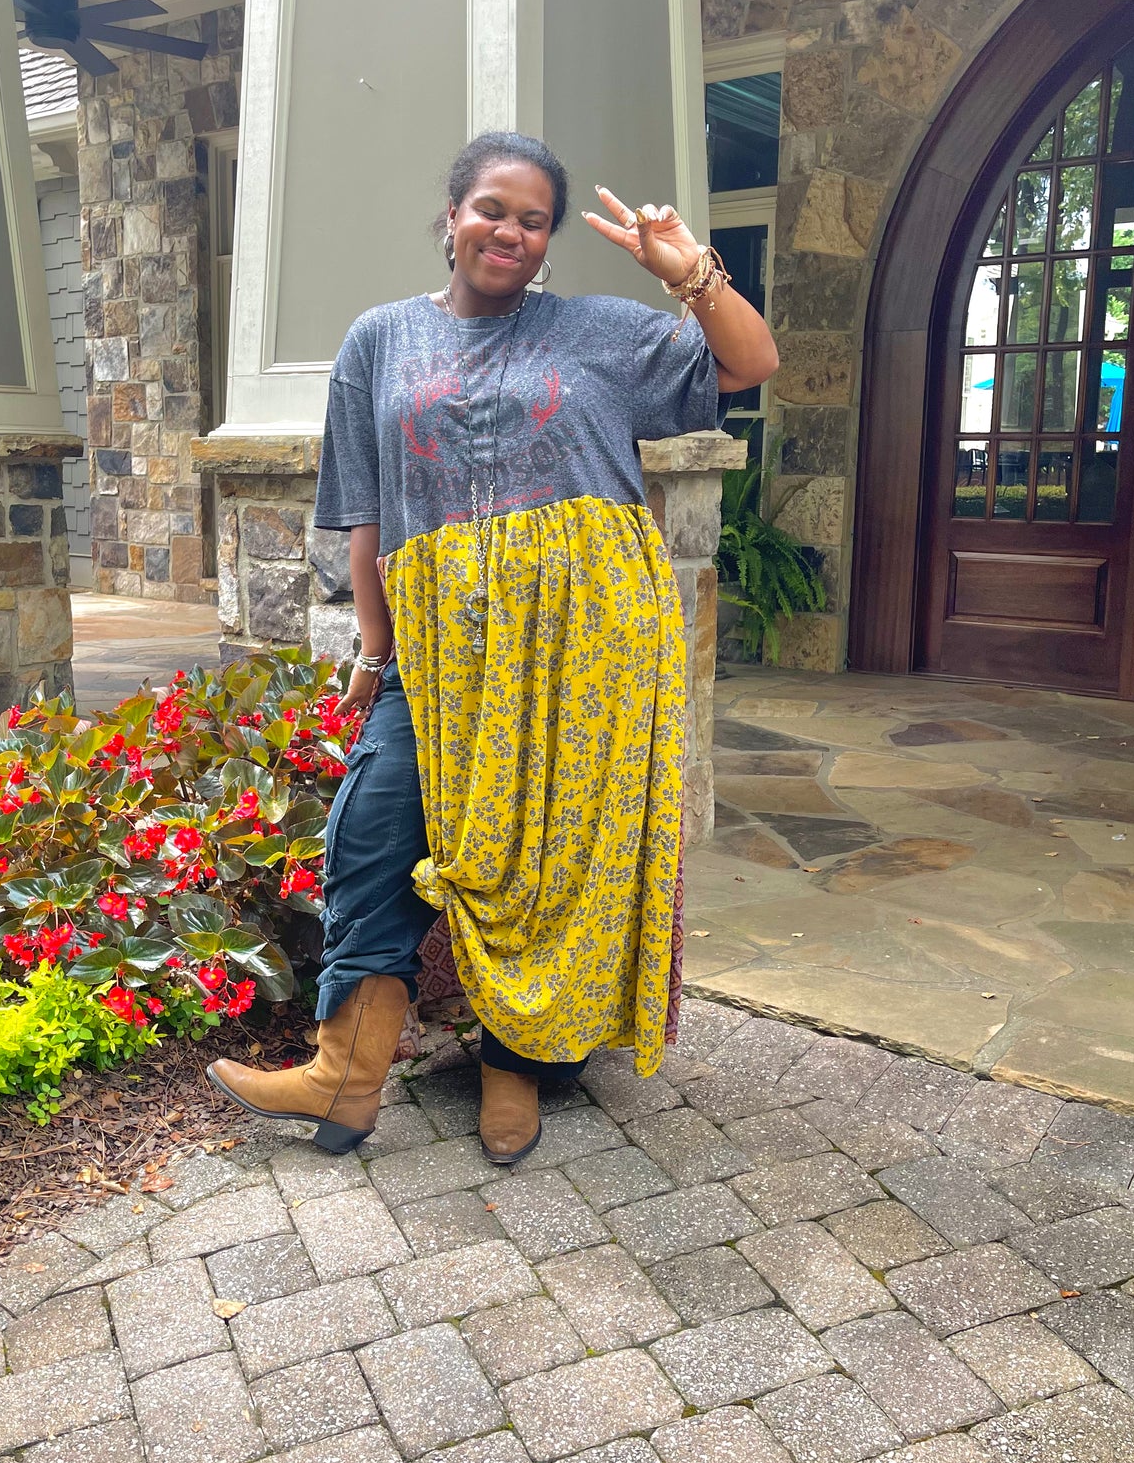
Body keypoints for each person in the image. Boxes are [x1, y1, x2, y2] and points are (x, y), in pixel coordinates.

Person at [209, 132, 778, 1162]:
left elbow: (749, 362)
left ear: (548, 240)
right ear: (451, 216)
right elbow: (368, 512)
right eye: (490, 209)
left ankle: (514, 1065)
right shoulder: (379, 339)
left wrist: (687, 272)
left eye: (532, 219)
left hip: (583, 645)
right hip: (435, 647)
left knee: (549, 854)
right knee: (372, 827)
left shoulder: (599, 331)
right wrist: (374, 652)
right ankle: (343, 1076)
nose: (508, 231)